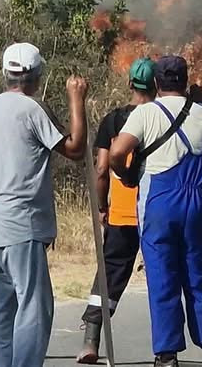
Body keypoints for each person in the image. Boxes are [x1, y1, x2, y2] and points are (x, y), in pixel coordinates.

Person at [109, 55, 202, 367]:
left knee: (162, 277)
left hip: (159, 203)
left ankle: (167, 356)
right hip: (197, 203)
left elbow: (117, 152)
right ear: (186, 80)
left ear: (156, 83)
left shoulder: (146, 113)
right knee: (199, 275)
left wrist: (125, 176)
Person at [0, 42, 88, 367]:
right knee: (35, 306)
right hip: (22, 224)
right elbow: (75, 149)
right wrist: (76, 100)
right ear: (36, 75)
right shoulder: (32, 109)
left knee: (2, 309)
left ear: (5, 74)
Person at [76, 57, 158, 364]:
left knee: (110, 273)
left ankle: (91, 340)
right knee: (165, 275)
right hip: (156, 210)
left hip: (122, 212)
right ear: (156, 85)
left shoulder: (112, 121)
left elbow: (101, 170)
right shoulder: (162, 117)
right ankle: (171, 349)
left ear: (130, 84)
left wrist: (102, 207)